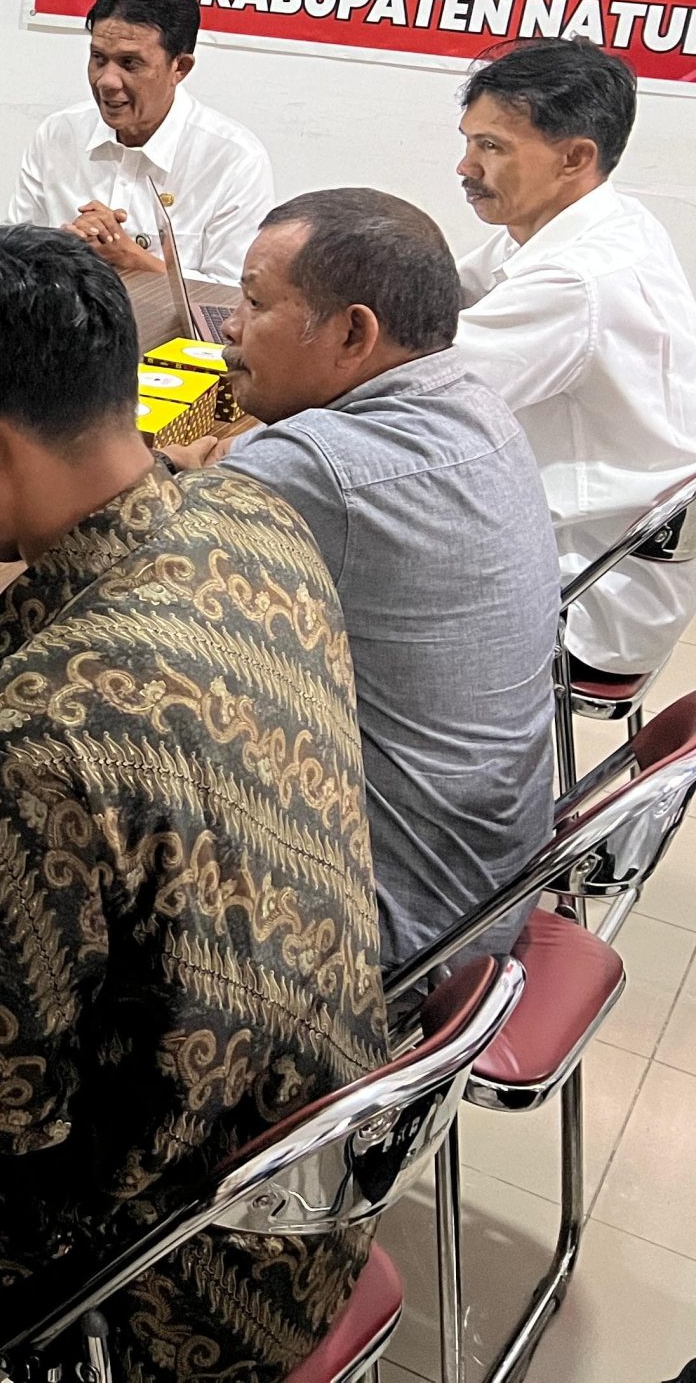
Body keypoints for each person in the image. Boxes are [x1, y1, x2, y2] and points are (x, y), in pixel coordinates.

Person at [0, 225, 384, 1383]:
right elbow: (149, 723)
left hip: (171, 1267)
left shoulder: (33, 744)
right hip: (314, 1173)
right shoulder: (248, 519)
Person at [166, 189, 557, 971]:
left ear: (353, 332)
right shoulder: (472, 405)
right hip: (485, 891)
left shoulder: (321, 469)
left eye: (254, 304)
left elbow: (109, 574)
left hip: (378, 934)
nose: (229, 330)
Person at [452, 35, 696, 678]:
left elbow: (418, 391)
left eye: (491, 147)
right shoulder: (595, 221)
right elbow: (441, 295)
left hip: (582, 602)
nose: (465, 166)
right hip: (591, 560)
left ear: (575, 158)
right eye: (469, 141)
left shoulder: (578, 279)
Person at [9, 0, 273, 283]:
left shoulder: (234, 159)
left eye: (130, 64)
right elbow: (13, 259)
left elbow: (232, 298)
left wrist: (130, 258)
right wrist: (61, 252)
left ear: (180, 68)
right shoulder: (59, 134)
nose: (107, 81)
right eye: (98, 58)